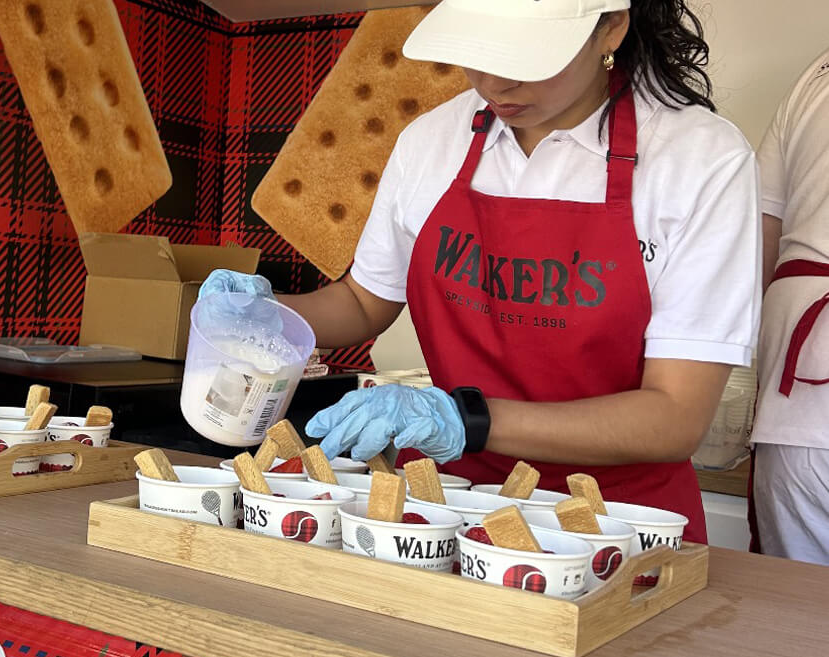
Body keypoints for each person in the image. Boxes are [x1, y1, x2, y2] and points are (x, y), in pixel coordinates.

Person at [202, 0, 760, 544]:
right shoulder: (432, 141)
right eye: (476, 51)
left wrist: (463, 419)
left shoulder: (699, 160)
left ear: (610, 28)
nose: (495, 83)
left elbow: (675, 415)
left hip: (618, 522)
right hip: (443, 504)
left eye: (525, 57)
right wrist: (266, 314)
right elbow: (362, 303)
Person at [749, 47, 829, 565]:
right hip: (800, 380)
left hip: (799, 393)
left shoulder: (817, 73)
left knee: (800, 607)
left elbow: (759, 231)